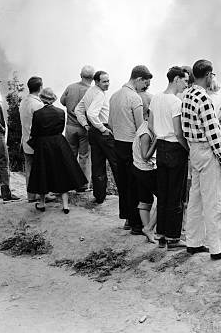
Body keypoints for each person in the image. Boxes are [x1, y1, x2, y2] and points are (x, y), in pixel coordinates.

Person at [181, 59, 221, 259]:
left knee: (195, 198)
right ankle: (218, 248)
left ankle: (193, 242)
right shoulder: (204, 98)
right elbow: (212, 131)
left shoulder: (187, 94)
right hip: (207, 151)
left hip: (193, 150)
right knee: (215, 200)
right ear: (208, 75)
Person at [27, 88, 87, 213]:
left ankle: (42, 204)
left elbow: (34, 133)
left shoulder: (38, 114)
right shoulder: (61, 112)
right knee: (62, 172)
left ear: (42, 98)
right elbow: (60, 129)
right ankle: (65, 206)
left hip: (43, 145)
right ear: (53, 98)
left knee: (43, 173)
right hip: (59, 143)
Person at [149, 66, 190, 250]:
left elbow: (150, 124)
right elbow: (178, 132)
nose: (186, 84)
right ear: (176, 79)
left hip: (161, 146)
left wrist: (160, 134)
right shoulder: (175, 102)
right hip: (174, 147)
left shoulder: (156, 98)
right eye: (184, 80)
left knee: (163, 192)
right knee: (176, 194)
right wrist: (187, 149)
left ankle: (161, 235)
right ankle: (174, 237)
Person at [108, 65, 152, 234]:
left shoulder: (114, 96)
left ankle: (127, 218)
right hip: (131, 144)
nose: (145, 86)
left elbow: (110, 123)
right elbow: (141, 128)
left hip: (117, 143)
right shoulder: (135, 98)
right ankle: (137, 224)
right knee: (135, 184)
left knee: (124, 182)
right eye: (145, 82)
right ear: (139, 79)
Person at [75, 70, 118, 205]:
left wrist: (86, 125)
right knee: (116, 163)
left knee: (98, 164)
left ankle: (99, 196)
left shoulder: (90, 91)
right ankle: (124, 194)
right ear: (97, 81)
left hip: (93, 131)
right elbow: (92, 114)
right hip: (102, 130)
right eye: (104, 81)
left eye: (108, 81)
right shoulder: (99, 94)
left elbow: (78, 110)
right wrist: (103, 129)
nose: (107, 84)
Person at [60, 65, 95, 191]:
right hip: (84, 128)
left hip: (70, 126)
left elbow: (62, 101)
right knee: (84, 156)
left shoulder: (70, 87)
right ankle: (83, 185)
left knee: (70, 155)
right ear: (92, 78)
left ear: (80, 75)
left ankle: (69, 182)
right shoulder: (92, 91)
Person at [132, 95, 158, 244]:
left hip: (137, 168)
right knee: (163, 197)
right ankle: (149, 228)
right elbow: (145, 156)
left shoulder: (143, 126)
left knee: (144, 200)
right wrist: (158, 141)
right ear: (148, 115)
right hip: (145, 169)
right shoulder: (146, 134)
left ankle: (148, 231)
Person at [19, 76, 44, 202]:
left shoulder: (23, 102)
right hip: (36, 142)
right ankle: (42, 194)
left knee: (29, 168)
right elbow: (42, 125)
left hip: (26, 140)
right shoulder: (38, 105)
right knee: (40, 168)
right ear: (40, 88)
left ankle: (30, 196)